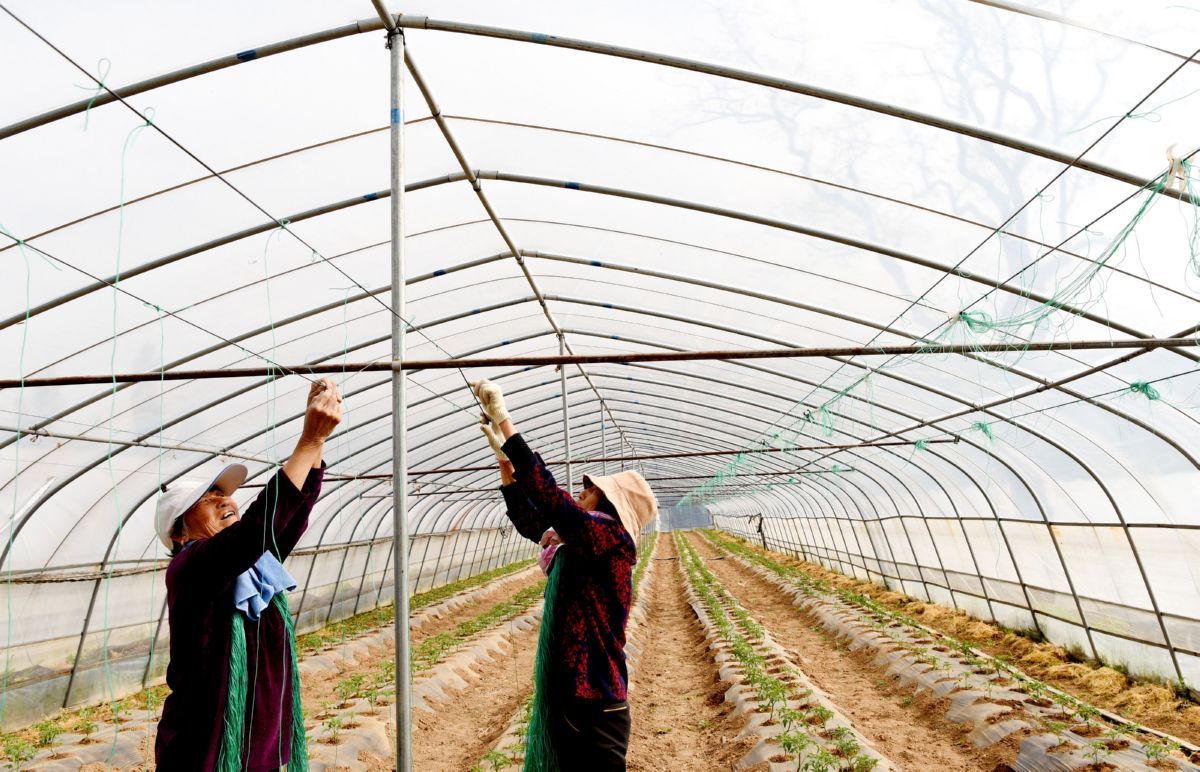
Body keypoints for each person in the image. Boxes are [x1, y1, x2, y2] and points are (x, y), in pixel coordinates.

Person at [154, 378, 343, 771]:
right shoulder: (191, 568)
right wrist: (307, 439)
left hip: (258, 745)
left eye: (224, 493)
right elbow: (256, 529)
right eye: (207, 499)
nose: (224, 499)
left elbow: (289, 517)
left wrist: (318, 444)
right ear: (179, 533)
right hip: (205, 751)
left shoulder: (256, 567)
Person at [474, 378, 658, 772]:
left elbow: (551, 500)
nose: (581, 492)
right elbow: (533, 521)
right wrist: (506, 465)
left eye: (589, 490)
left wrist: (505, 421)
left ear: (609, 504)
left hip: (598, 704)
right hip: (574, 697)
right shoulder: (577, 545)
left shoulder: (609, 539)